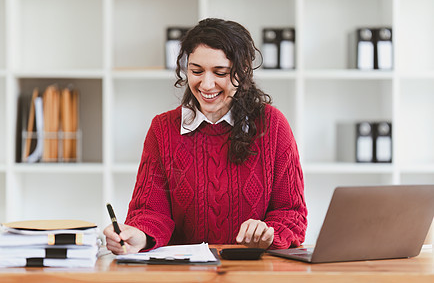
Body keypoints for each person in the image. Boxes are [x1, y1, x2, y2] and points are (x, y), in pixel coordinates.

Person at [104, 18, 307, 254]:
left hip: (254, 270)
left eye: (220, 72)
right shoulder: (163, 129)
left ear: (242, 72)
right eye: (196, 71)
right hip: (183, 272)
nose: (206, 84)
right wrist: (138, 236)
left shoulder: (272, 126)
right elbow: (150, 211)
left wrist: (268, 232)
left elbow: (292, 213)